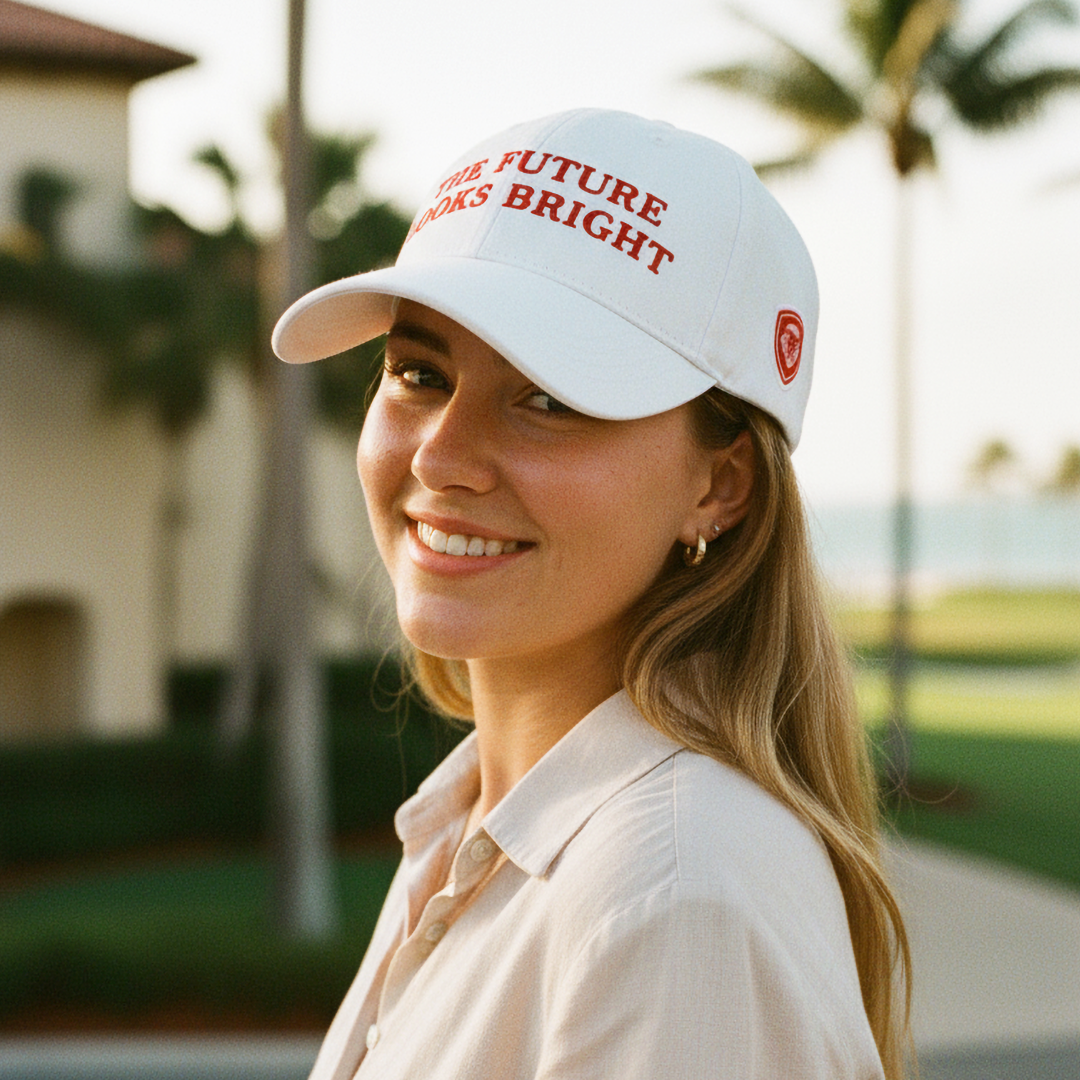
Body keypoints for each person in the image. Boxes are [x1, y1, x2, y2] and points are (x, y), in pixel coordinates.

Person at [273, 108, 912, 1080]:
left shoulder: (673, 897)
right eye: (418, 372)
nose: (441, 456)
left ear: (720, 484)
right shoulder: (479, 828)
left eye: (551, 400)